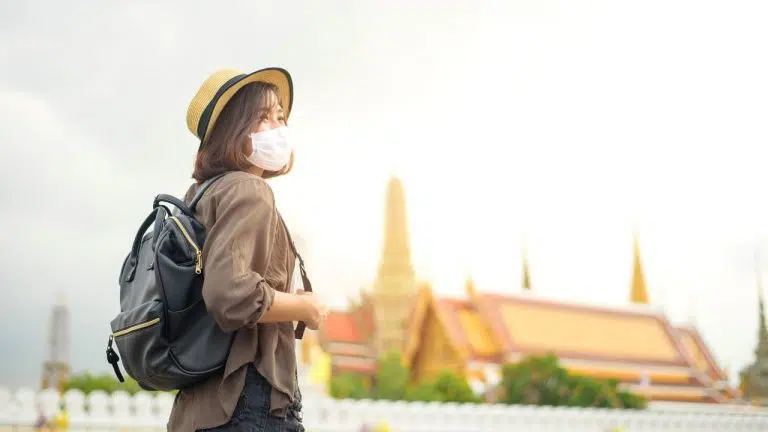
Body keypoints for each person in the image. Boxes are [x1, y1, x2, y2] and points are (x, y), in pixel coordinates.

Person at [167, 67, 328, 432]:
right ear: (233, 132)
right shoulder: (249, 191)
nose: (278, 129)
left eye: (281, 118)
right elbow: (229, 295)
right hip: (247, 404)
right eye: (262, 118)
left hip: (202, 403)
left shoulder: (201, 195)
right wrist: (306, 307)